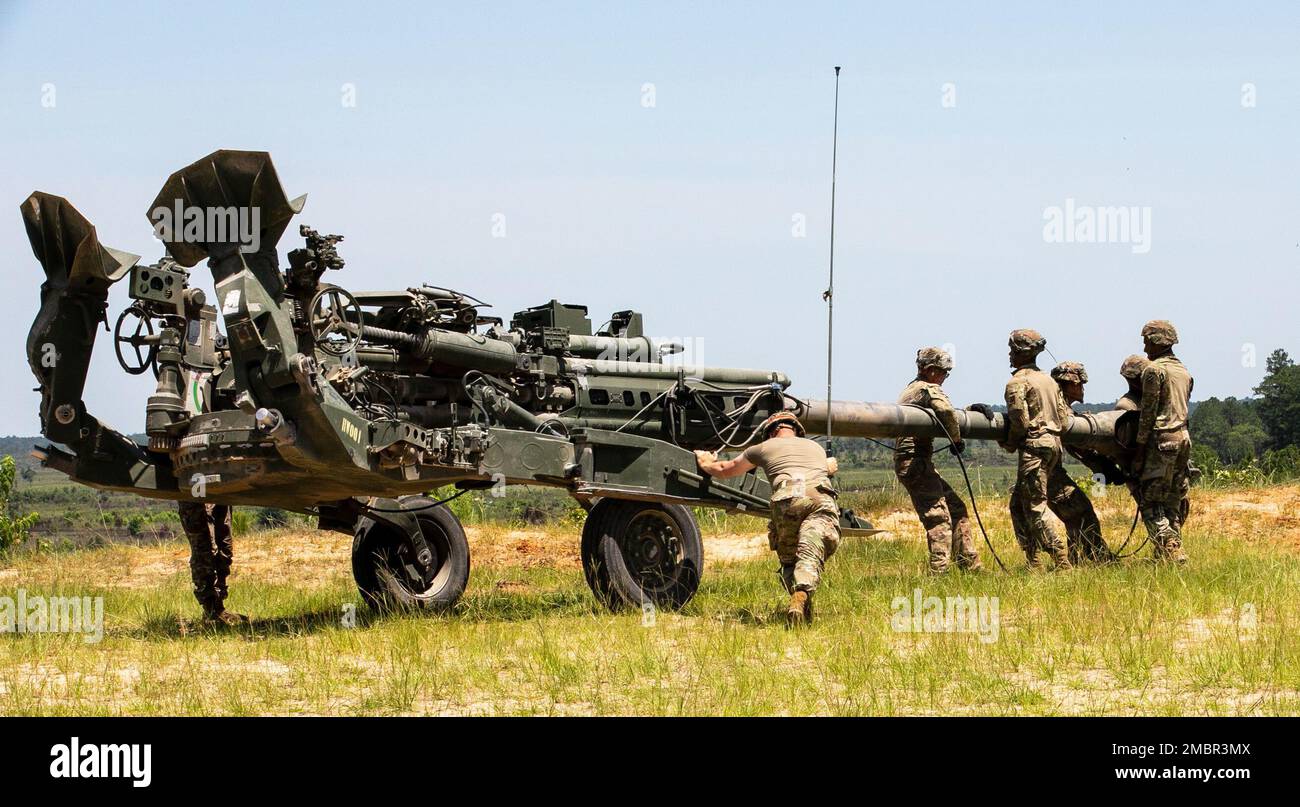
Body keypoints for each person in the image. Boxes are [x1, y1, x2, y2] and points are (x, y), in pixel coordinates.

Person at [695, 412, 840, 627]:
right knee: (813, 546)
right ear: (797, 430)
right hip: (818, 497)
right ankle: (802, 593)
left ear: (771, 432)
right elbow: (827, 468)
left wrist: (705, 461)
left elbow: (725, 470)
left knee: (790, 559)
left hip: (786, 499)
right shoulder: (817, 448)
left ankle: (799, 601)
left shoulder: (762, 448)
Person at [895, 347, 981, 573]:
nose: (945, 378)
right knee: (939, 517)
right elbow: (944, 409)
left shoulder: (913, 389)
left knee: (956, 508)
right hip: (915, 461)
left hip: (916, 461)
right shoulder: (927, 388)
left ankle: (969, 565)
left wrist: (971, 410)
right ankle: (939, 573)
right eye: (944, 372)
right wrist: (956, 439)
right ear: (932, 370)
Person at [1000, 329, 1072, 570]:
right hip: (1053, 444)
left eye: (1012, 350)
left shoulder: (1017, 383)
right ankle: (1033, 560)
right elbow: (1063, 419)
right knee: (1018, 504)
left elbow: (1019, 421)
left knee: (1034, 504)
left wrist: (1009, 442)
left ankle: (1060, 559)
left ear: (1020, 352)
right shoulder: (1049, 381)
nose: (1010, 355)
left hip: (1034, 447)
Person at [1132, 320, 1193, 563]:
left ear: (1156, 342)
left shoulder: (1154, 371)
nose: (1145, 348)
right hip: (1183, 439)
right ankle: (1167, 553)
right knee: (1172, 500)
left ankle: (1170, 547)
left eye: (1147, 341)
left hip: (1161, 439)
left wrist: (1139, 447)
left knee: (1150, 502)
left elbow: (1148, 411)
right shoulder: (1183, 371)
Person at [1047, 361, 1112, 563]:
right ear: (1066, 385)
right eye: (1078, 383)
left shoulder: (1062, 410)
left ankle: (1082, 560)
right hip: (1047, 472)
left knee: (1078, 515)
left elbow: (1077, 448)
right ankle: (1094, 559)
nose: (1082, 388)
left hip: (1048, 471)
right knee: (1081, 513)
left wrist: (1100, 465)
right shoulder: (1060, 411)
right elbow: (1077, 445)